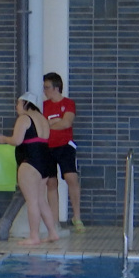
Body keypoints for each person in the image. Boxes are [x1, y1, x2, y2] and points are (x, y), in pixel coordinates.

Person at [0, 92, 59, 246]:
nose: (16, 107)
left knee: (32, 201)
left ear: (25, 103)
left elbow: (17, 141)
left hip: (30, 162)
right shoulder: (43, 119)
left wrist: (3, 139)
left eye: (18, 104)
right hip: (45, 161)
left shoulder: (24, 118)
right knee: (41, 200)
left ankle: (34, 236)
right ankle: (52, 233)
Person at [43, 72, 84, 232]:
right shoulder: (44, 106)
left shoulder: (68, 103)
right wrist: (54, 122)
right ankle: (54, 222)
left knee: (71, 177)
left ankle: (77, 217)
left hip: (64, 146)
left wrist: (49, 124)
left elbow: (66, 123)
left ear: (56, 88)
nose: (45, 91)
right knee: (51, 183)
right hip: (48, 147)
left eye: (47, 88)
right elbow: (41, 125)